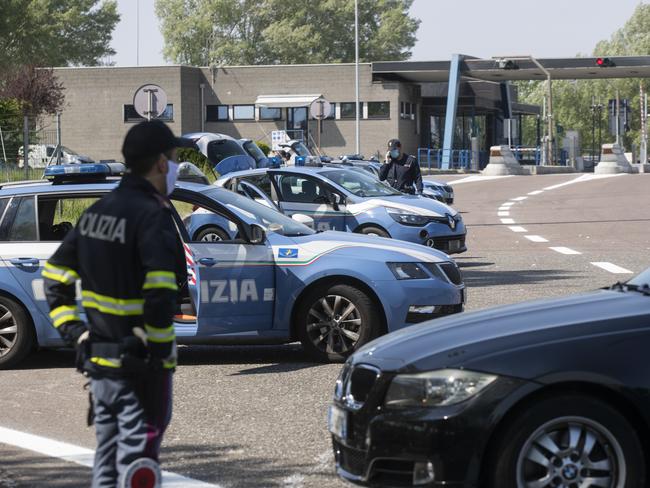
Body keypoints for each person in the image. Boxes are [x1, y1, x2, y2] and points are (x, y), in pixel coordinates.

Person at [43, 120, 190, 487]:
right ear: (160, 163)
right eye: (173, 158)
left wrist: (74, 332)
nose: (174, 167)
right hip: (140, 371)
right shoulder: (151, 215)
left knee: (107, 463)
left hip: (100, 365)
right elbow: (159, 291)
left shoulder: (97, 213)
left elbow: (54, 275)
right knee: (138, 466)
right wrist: (156, 353)